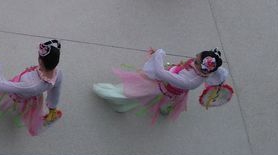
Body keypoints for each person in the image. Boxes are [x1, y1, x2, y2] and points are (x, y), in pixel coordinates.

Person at [92, 48, 230, 123]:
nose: (194, 57)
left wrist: (159, 54)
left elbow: (161, 73)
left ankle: (117, 98)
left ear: (202, 68)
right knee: (149, 98)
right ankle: (163, 109)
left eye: (197, 59)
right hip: (171, 85)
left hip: (162, 87)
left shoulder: (191, 81)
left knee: (136, 91)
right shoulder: (199, 71)